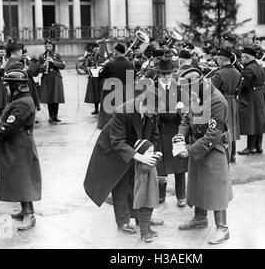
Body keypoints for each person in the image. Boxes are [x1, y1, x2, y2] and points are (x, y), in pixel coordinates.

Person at [84, 87, 163, 234]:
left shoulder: (153, 110)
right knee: (121, 185)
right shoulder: (122, 111)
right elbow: (117, 141)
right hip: (113, 150)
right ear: (143, 104)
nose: (154, 115)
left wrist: (150, 150)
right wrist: (139, 156)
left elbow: (154, 134)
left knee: (137, 183)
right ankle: (123, 221)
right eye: (153, 111)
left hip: (134, 147)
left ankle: (141, 217)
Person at [175, 68, 233, 245]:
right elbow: (187, 117)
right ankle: (200, 218)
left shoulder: (217, 101)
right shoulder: (196, 94)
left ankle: (222, 228)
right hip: (197, 143)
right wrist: (180, 136)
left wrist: (191, 150)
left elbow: (213, 135)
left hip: (214, 146)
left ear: (199, 84)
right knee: (198, 182)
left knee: (217, 186)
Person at [0, 70, 41, 231]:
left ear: (16, 86)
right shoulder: (17, 100)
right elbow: (7, 118)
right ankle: (25, 209)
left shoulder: (22, 102)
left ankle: (29, 215)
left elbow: (9, 126)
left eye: (9, 85)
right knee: (18, 178)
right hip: (15, 144)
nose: (7, 88)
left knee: (23, 178)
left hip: (20, 145)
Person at [155, 59, 188, 206]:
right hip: (160, 131)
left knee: (179, 164)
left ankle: (181, 196)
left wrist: (179, 110)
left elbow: (185, 110)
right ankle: (160, 195)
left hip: (176, 130)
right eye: (163, 74)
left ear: (173, 74)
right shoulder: (153, 89)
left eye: (169, 74)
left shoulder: (179, 89)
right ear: (159, 74)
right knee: (160, 164)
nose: (166, 77)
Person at [237, 47, 265, 155]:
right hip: (260, 95)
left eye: (242, 57)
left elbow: (245, 85)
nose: (241, 59)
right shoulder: (258, 66)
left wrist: (238, 92)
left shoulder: (249, 68)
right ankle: (258, 146)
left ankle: (250, 147)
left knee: (251, 122)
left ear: (247, 57)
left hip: (251, 96)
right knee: (258, 122)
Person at [212, 49, 242, 163]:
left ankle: (227, 155)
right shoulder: (238, 73)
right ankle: (233, 154)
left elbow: (214, 91)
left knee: (223, 126)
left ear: (222, 59)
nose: (217, 61)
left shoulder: (219, 74)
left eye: (218, 59)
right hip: (233, 101)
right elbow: (239, 89)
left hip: (221, 102)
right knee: (232, 127)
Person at [97, 43, 135, 129]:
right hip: (125, 91)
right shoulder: (130, 64)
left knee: (109, 113)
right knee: (123, 111)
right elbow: (132, 78)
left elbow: (101, 75)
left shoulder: (110, 64)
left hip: (112, 90)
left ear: (116, 51)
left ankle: (108, 128)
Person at [133, 140, 162, 243]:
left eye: (152, 150)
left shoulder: (149, 162)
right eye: (149, 151)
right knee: (144, 213)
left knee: (149, 212)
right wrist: (157, 158)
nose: (152, 153)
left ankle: (148, 229)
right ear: (141, 154)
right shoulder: (140, 163)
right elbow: (147, 168)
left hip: (149, 191)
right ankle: (144, 233)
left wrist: (160, 179)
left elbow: (152, 172)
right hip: (144, 193)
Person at [36, 40, 66, 124]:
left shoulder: (57, 55)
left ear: (53, 47)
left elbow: (63, 65)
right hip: (47, 78)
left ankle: (55, 116)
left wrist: (53, 62)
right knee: (49, 97)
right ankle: (51, 116)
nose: (47, 48)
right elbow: (38, 68)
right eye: (46, 46)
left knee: (56, 97)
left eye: (49, 46)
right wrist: (44, 65)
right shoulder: (42, 56)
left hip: (56, 77)